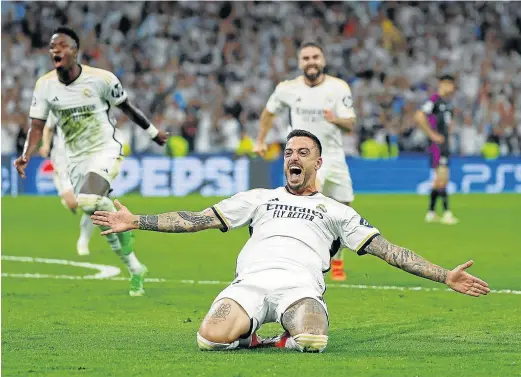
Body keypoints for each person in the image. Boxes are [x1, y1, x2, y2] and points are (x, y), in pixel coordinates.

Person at [92, 129, 490, 353]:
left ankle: (286, 336)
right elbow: (197, 219)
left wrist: (444, 276)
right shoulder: (259, 197)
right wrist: (136, 221)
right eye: (287, 152)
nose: (292, 158)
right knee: (207, 339)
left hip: (299, 287)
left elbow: (389, 251)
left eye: (302, 152)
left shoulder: (337, 211)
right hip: (249, 283)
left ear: (318, 163)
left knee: (314, 340)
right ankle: (249, 336)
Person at [14, 26, 168, 296]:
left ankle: (125, 228)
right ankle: (135, 268)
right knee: (95, 212)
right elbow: (37, 125)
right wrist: (27, 154)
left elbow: (128, 108)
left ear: (75, 51)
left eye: (61, 45)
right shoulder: (45, 85)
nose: (55, 50)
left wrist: (153, 133)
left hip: (104, 149)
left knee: (87, 201)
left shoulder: (101, 79)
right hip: (74, 159)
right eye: (52, 46)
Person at [253, 41, 357, 281]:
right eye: (306, 58)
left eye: (315, 57)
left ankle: (337, 258)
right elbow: (269, 112)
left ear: (323, 60)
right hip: (304, 158)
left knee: (344, 210)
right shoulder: (287, 89)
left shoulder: (338, 87)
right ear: (300, 63)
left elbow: (350, 124)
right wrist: (260, 140)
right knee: (307, 206)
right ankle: (306, 262)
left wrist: (335, 119)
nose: (311, 62)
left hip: (333, 156)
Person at [39, 112, 94, 256]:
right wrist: (45, 145)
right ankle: (68, 201)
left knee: (92, 203)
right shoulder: (56, 107)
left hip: (83, 161)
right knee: (74, 203)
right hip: (62, 162)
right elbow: (48, 128)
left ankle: (83, 240)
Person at [414, 75, 458, 225]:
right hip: (437, 146)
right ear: (443, 84)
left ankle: (431, 213)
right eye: (450, 85)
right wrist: (432, 134)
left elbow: (449, 123)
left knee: (438, 181)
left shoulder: (448, 104)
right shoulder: (434, 100)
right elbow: (419, 115)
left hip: (444, 145)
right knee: (442, 178)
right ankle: (446, 213)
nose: (452, 88)